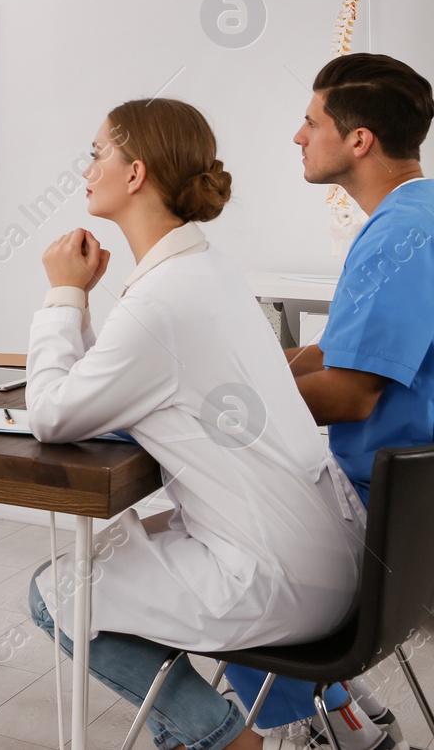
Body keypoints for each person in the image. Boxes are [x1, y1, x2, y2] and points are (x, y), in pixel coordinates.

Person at [24, 98, 365, 750]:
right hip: (331, 563)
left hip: (281, 577)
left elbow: (52, 414)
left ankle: (225, 741)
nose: (86, 168)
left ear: (135, 174)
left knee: (56, 591)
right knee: (114, 561)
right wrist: (85, 305)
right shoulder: (206, 272)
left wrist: (63, 293)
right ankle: (185, 737)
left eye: (97, 153)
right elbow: (110, 387)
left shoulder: (162, 297)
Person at [222, 54, 434, 749]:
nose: (298, 136)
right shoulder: (414, 215)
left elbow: (347, 392)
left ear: (359, 138)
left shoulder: (401, 234)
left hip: (381, 519)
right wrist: (252, 371)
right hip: (406, 511)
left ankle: (316, 722)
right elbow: (334, 352)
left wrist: (219, 407)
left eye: (311, 121)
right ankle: (341, 704)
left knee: (222, 556)